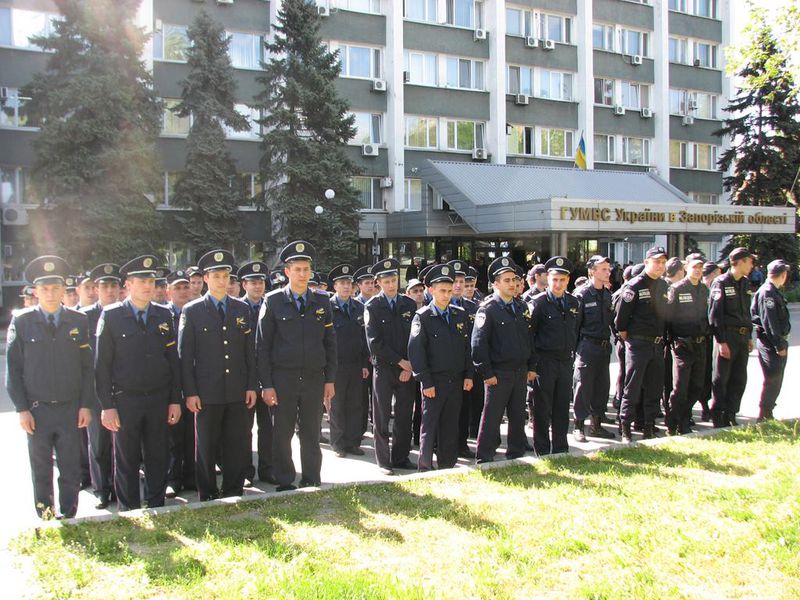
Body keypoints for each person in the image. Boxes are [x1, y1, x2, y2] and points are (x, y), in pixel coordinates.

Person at [6, 256, 93, 519]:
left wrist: (86, 404)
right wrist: (22, 409)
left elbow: (88, 368)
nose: (51, 293)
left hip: (69, 409)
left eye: (56, 288)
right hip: (37, 410)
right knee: (41, 467)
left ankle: (69, 515)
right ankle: (45, 516)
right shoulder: (21, 322)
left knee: (70, 468)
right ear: (35, 291)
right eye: (45, 289)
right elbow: (14, 371)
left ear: (64, 290)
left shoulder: (78, 321)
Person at [94, 255, 182, 511]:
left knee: (158, 455)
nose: (148, 286)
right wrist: (107, 406)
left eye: (151, 281)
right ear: (128, 285)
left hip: (157, 398)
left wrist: (174, 400)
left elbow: (172, 362)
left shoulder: (164, 314)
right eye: (141, 281)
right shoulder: (111, 316)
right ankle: (129, 509)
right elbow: (102, 367)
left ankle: (156, 505)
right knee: (126, 458)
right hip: (126, 399)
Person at [257, 242, 336, 491]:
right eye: (298, 269)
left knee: (312, 432)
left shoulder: (322, 302)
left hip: (313, 378)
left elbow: (330, 344)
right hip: (283, 379)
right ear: (287, 272)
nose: (303, 274)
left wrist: (330, 380)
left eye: (306, 269)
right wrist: (266, 385)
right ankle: (285, 479)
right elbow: (262, 347)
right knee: (282, 432)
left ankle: (311, 478)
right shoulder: (273, 301)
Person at [179, 249, 257, 501]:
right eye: (216, 276)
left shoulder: (241, 309)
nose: (222, 281)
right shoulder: (192, 311)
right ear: (205, 279)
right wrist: (190, 392)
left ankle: (234, 489)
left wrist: (250, 385)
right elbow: (185, 356)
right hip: (206, 392)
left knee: (236, 443)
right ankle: (208, 492)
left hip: (235, 389)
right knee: (206, 446)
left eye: (225, 276)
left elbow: (249, 352)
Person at [408, 264, 473, 471]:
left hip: (455, 380)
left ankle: (447, 463)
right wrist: (425, 381)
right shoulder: (423, 317)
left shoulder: (460, 314)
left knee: (450, 424)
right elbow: (416, 352)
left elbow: (466, 348)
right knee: (429, 425)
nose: (446, 295)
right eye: (441, 291)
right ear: (431, 291)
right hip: (433, 382)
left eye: (449, 290)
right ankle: (425, 466)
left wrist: (469, 375)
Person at [471, 257, 536, 463]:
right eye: (506, 280)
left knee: (518, 416)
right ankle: (484, 457)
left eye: (514, 280)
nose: (512, 284)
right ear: (495, 284)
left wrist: (531, 366)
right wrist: (487, 373)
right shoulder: (487, 309)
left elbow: (529, 339)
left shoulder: (521, 307)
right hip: (498, 373)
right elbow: (478, 344)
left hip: (519, 371)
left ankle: (516, 454)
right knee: (492, 417)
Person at [364, 258, 419, 475]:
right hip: (385, 369)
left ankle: (401, 456)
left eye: (394, 280)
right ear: (378, 283)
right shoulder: (372, 306)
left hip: (406, 369)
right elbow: (374, 343)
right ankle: (384, 461)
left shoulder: (408, 304)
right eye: (386, 281)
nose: (391, 284)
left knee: (405, 415)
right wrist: (400, 362)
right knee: (382, 416)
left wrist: (409, 366)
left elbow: (414, 338)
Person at [614, 247, 670, 443]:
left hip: (657, 344)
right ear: (646, 262)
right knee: (633, 386)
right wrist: (632, 339)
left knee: (654, 387)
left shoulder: (664, 286)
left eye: (663, 262)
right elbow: (621, 321)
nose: (660, 266)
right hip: (638, 344)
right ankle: (626, 428)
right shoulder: (634, 286)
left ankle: (648, 426)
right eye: (657, 262)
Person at [528, 257, 580, 455]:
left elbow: (577, 330)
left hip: (565, 361)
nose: (558, 284)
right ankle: (541, 448)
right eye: (554, 279)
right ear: (548, 280)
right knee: (542, 407)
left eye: (562, 280)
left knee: (562, 406)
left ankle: (560, 447)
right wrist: (532, 366)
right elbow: (530, 336)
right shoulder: (538, 304)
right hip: (544, 362)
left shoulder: (574, 302)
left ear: (568, 280)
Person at [80, 262, 122, 509]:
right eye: (104, 285)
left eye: (113, 285)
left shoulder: (124, 312)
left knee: (123, 443)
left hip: (123, 389)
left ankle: (119, 486)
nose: (109, 290)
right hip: (96, 391)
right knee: (98, 443)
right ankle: (101, 489)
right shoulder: (84, 317)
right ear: (96, 288)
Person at [708, 247, 754, 428]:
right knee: (722, 378)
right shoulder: (721, 282)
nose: (751, 265)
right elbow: (715, 315)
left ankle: (731, 413)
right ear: (741, 261)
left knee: (739, 377)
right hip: (727, 337)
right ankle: (718, 415)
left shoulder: (744, 282)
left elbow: (746, 313)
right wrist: (721, 341)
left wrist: (749, 336)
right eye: (749, 261)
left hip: (742, 337)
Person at [238, 261, 275, 485]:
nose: (258, 286)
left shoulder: (271, 306)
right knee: (244, 429)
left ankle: (268, 469)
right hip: (244, 378)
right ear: (244, 284)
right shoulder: (237, 308)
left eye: (261, 282)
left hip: (268, 376)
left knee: (268, 427)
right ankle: (245, 471)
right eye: (253, 282)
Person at [665, 254, 709, 435]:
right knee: (680, 387)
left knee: (697, 386)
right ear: (686, 268)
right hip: (682, 344)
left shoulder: (704, 289)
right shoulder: (677, 288)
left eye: (700, 267)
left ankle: (684, 418)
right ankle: (673, 422)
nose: (698, 270)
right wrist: (672, 340)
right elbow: (668, 317)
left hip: (700, 344)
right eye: (694, 267)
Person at [572, 255, 615, 442]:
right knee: (583, 386)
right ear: (592, 271)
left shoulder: (607, 294)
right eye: (604, 269)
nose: (608, 272)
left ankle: (596, 425)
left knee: (602, 387)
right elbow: (574, 327)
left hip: (604, 347)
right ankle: (578, 426)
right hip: (587, 346)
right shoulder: (581, 295)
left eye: (608, 269)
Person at [328, 263, 369, 457]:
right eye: (342, 283)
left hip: (355, 364)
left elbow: (364, 338)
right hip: (336, 365)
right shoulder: (328, 307)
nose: (346, 287)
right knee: (337, 405)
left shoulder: (359, 307)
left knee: (355, 404)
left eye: (349, 283)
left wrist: (363, 364)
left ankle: (353, 442)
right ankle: (338, 443)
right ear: (335, 286)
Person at [164, 269, 195, 497]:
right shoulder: (162, 315)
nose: (183, 291)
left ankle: (191, 476)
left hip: (194, 380)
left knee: (193, 433)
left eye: (186, 287)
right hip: (171, 382)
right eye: (178, 287)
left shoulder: (197, 312)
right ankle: (173, 478)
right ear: (168, 291)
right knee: (173, 435)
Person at [751, 259, 791, 422]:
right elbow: (769, 322)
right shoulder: (768, 292)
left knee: (776, 377)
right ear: (783, 275)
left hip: (775, 342)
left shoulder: (773, 290)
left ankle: (768, 411)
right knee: (773, 377)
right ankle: (764, 413)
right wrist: (778, 345)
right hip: (770, 343)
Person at [447, 260, 479, 459]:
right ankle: (442, 444)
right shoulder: (440, 305)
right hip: (444, 367)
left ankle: (461, 444)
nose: (458, 286)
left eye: (462, 281)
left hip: (465, 365)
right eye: (455, 281)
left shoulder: (472, 307)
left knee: (464, 407)